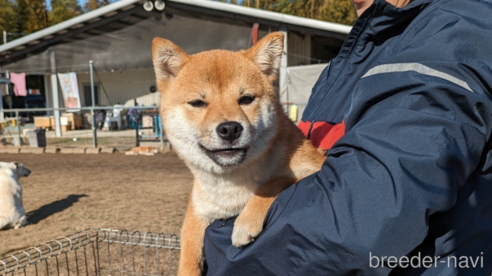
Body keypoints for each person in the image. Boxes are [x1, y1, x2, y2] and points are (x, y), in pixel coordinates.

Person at [202, 0, 492, 275]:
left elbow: (357, 222)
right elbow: (309, 172)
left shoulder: (452, 34)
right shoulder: (363, 49)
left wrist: (215, 242)